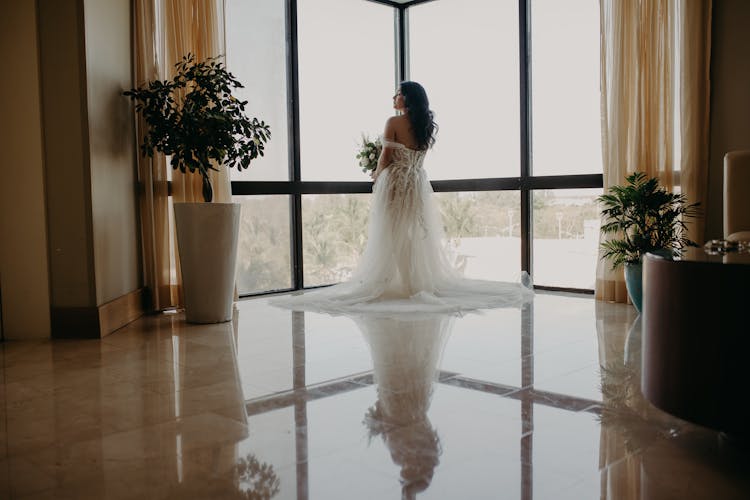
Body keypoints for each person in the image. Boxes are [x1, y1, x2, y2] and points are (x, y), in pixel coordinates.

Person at [271, 81, 533, 315]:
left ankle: (397, 282)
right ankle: (415, 282)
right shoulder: (425, 124)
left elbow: (386, 157)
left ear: (407, 98)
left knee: (390, 231)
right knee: (410, 233)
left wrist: (375, 175)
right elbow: (417, 158)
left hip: (396, 182)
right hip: (417, 182)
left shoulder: (393, 122)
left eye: (397, 94)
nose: (393, 99)